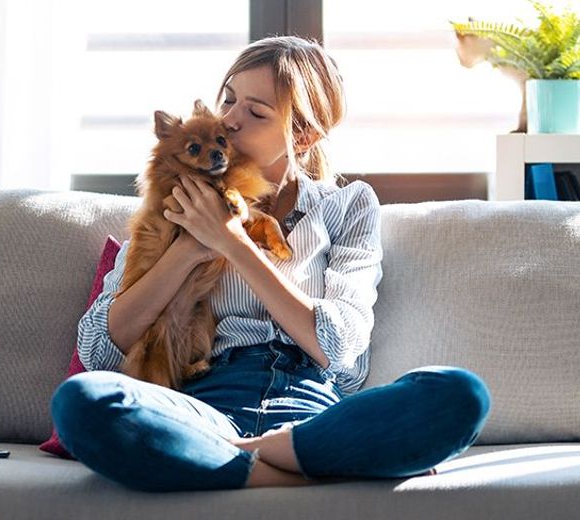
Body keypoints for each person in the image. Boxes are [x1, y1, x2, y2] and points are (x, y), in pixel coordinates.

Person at [50, 36, 491, 492]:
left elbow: (341, 350)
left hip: (313, 409)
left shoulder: (346, 206)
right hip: (202, 406)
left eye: (256, 112)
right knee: (82, 402)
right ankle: (297, 469)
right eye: (228, 100)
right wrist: (190, 247)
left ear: (303, 136)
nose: (230, 120)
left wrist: (233, 241)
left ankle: (233, 462)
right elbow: (99, 349)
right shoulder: (178, 197)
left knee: (459, 396)